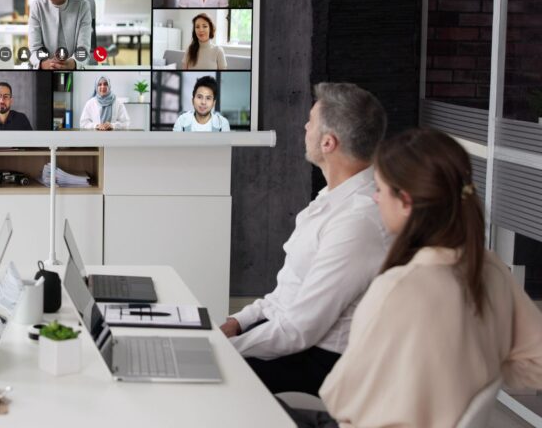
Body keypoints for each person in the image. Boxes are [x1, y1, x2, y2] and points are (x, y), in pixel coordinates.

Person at [289, 128, 542, 428]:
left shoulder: (398, 288)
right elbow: (535, 363)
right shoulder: (490, 268)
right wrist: (472, 365)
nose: (375, 198)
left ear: (406, 201)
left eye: (380, 189)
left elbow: (340, 399)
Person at [220, 83, 390, 395]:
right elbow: (288, 292)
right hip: (288, 338)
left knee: (199, 379)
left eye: (311, 121)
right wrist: (239, 322)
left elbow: (300, 330)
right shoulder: (332, 198)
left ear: (328, 142)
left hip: (318, 362)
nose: (305, 126)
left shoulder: (357, 222)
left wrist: (224, 350)